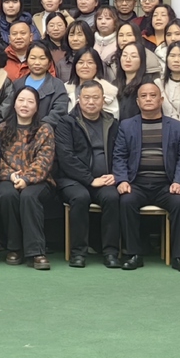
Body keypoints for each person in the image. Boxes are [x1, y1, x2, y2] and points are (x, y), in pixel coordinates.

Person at [112, 82, 180, 273]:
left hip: (166, 185)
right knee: (126, 201)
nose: (148, 99)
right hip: (137, 183)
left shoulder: (176, 127)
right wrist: (122, 180)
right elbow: (119, 156)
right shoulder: (126, 126)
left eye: (152, 95)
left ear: (161, 99)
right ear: (137, 101)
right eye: (144, 96)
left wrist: (179, 182)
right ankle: (134, 254)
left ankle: (179, 257)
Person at [53, 80, 120, 269]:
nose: (91, 102)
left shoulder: (112, 123)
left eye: (95, 98)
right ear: (78, 100)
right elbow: (66, 157)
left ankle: (111, 252)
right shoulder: (67, 122)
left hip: (104, 179)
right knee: (80, 197)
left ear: (103, 100)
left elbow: (120, 153)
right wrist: (90, 179)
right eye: (87, 97)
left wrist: (116, 174)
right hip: (72, 180)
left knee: (112, 197)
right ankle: (78, 253)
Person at [0, 86, 56, 270]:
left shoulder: (44, 130)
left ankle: (36, 252)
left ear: (36, 107)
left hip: (39, 180)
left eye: (30, 101)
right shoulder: (2, 129)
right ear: (14, 104)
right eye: (21, 100)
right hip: (8, 178)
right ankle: (14, 248)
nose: (25, 105)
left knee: (29, 196)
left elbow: (45, 160)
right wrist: (10, 175)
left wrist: (27, 179)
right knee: (7, 195)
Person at [13, 41, 69, 126]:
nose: (37, 63)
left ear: (49, 62)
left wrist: (41, 127)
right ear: (27, 60)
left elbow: (59, 111)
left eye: (42, 58)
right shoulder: (17, 84)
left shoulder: (57, 85)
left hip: (47, 131)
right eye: (33, 58)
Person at [65, 47, 119, 119]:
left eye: (90, 62)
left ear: (97, 66)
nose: (85, 66)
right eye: (80, 62)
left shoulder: (108, 91)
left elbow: (112, 118)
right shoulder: (65, 88)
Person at [114, 42, 157, 121]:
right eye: (124, 55)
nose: (127, 59)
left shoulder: (147, 84)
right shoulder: (114, 84)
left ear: (141, 60)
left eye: (133, 56)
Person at [42, 12, 73, 82]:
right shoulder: (41, 47)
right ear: (46, 30)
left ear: (66, 28)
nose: (56, 28)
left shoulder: (72, 45)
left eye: (59, 25)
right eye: (51, 25)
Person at [93, 5, 120, 77]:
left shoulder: (120, 42)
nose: (103, 22)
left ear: (115, 21)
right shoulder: (90, 40)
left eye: (108, 18)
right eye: (99, 18)